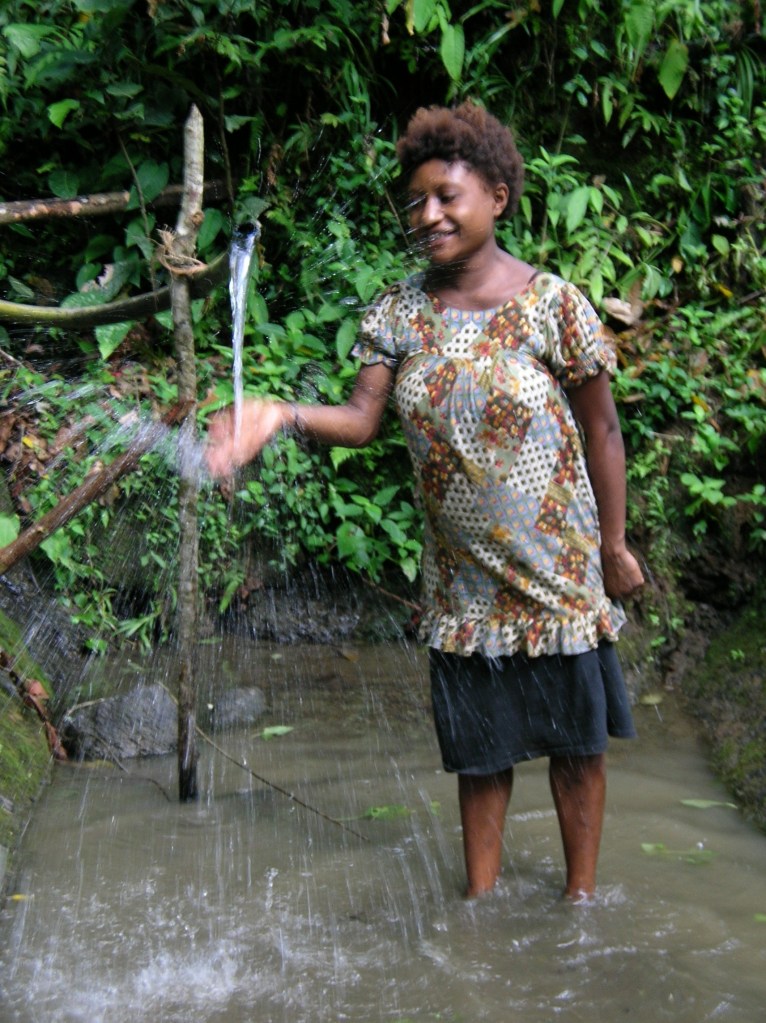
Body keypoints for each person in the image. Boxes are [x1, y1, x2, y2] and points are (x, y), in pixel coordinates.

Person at [205, 101, 645, 902]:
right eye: (416, 202)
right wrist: (278, 413)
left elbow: (604, 430)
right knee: (480, 757)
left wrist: (615, 546)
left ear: (498, 198)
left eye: (447, 195)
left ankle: (582, 905)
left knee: (577, 748)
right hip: (461, 584)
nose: (428, 214)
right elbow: (362, 419)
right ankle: (478, 905)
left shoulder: (554, 305)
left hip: (560, 570)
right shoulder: (401, 310)